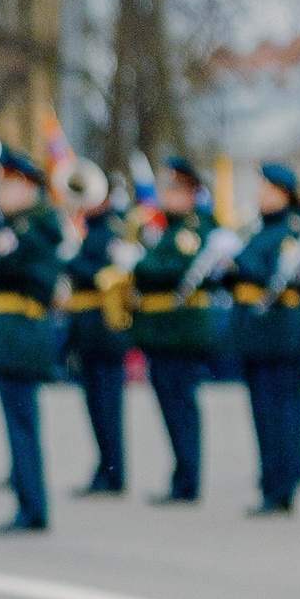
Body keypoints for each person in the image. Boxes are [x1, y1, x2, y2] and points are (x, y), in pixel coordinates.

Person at [0, 146, 63, 534]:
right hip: (9, 333)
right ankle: (28, 501)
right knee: (17, 423)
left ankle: (33, 508)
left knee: (22, 424)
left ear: (28, 188)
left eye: (7, 185)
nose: (0, 193)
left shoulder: (34, 229)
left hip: (21, 333)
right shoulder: (13, 229)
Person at [129, 157, 219, 505]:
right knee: (170, 404)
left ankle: (188, 479)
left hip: (180, 330)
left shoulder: (194, 228)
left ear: (192, 193)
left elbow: (167, 269)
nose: (167, 195)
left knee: (181, 405)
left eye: (175, 189)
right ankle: (182, 474)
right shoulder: (163, 227)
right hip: (160, 330)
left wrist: (137, 262)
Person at [228, 162, 300, 516]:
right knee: (264, 412)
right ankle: (271, 483)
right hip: (258, 332)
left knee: (280, 412)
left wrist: (238, 261)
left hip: (278, 332)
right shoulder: (259, 229)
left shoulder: (291, 231)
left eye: (267, 189)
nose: (260, 194)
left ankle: (282, 486)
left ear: (284, 194)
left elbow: (276, 277)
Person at [61, 183, 134, 494]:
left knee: (107, 406)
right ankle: (104, 468)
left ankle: (113, 472)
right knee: (95, 404)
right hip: (88, 331)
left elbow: (104, 274)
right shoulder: (88, 232)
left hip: (105, 329)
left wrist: (69, 260)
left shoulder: (114, 232)